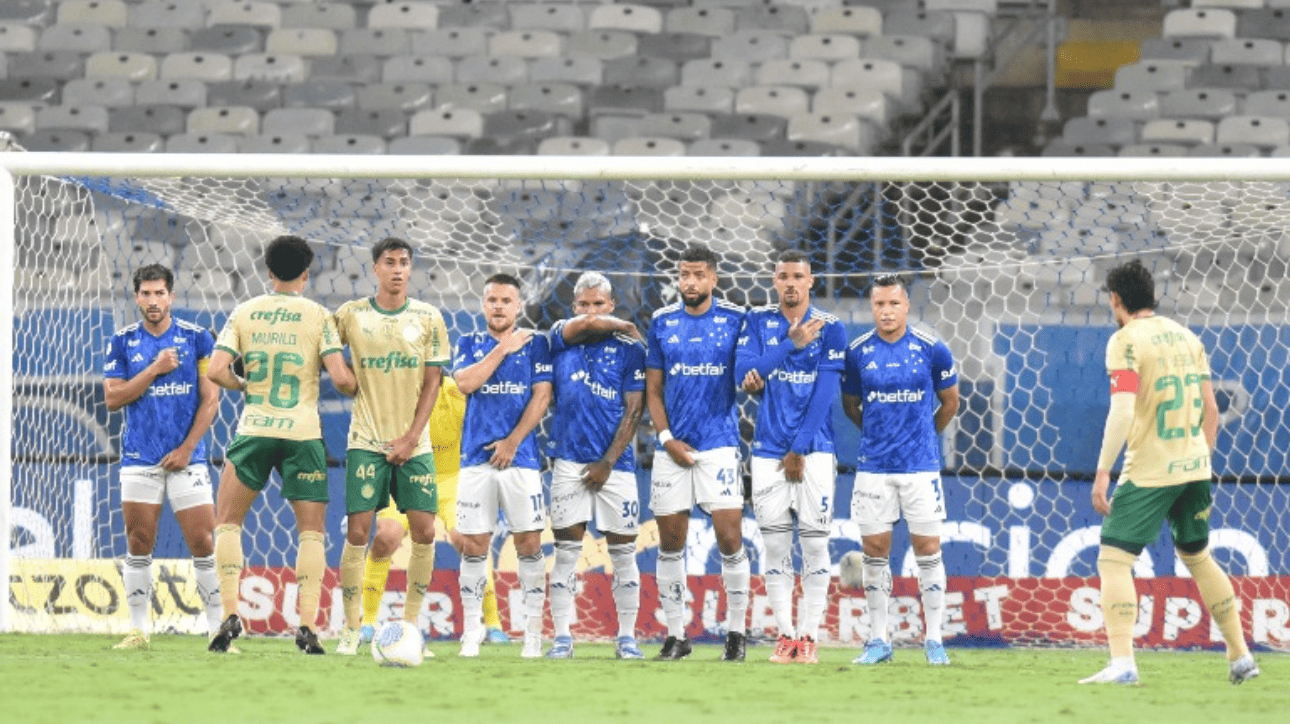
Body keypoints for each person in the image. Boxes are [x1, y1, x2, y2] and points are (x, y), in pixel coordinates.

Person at [1081, 259, 1259, 686]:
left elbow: (1122, 409)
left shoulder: (1125, 340)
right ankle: (1240, 656)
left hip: (1150, 470)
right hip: (1195, 465)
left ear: (1115, 300)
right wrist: (1199, 459)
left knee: (1113, 559)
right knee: (1198, 556)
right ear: (1154, 295)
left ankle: (1122, 663)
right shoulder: (1187, 337)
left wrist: (1103, 471)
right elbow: (1211, 409)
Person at [205, 235, 358, 654]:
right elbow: (341, 379)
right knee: (311, 532)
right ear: (306, 275)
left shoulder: (244, 311)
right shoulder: (319, 316)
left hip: (255, 429)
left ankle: (230, 613)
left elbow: (216, 370)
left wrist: (244, 386)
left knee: (228, 522)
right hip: (302, 434)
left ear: (269, 272)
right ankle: (307, 624)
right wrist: (366, 385)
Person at [332, 238, 450, 655]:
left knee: (425, 531)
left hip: (414, 444)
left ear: (410, 268)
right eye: (390, 262)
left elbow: (433, 382)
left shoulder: (429, 317)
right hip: (366, 440)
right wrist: (341, 375)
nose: (398, 269)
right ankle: (351, 628)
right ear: (375, 269)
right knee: (358, 532)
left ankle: (411, 628)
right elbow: (323, 348)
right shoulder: (351, 315)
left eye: (404, 262)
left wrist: (411, 437)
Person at [841, 274, 959, 666]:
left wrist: (923, 436)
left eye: (894, 303)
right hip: (874, 468)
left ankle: (934, 640)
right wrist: (879, 436)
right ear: (872, 307)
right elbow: (851, 405)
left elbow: (950, 403)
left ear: (906, 305)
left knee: (929, 549)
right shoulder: (857, 353)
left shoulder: (932, 349)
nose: (887, 311)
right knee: (875, 553)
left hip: (920, 468)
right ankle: (878, 640)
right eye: (880, 304)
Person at [735, 251, 846, 665]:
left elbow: (825, 392)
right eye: (783, 276)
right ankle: (785, 636)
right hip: (767, 450)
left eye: (798, 276)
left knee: (815, 544)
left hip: (814, 451)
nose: (791, 283)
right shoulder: (757, 321)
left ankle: (809, 636)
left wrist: (799, 447)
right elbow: (743, 374)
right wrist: (789, 345)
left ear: (811, 280)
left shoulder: (831, 327)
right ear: (774, 280)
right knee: (776, 545)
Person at [104, 264, 222, 650]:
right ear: (136, 297)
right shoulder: (122, 342)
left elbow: (211, 400)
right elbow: (113, 398)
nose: (153, 300)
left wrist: (187, 449)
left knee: (203, 540)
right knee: (139, 540)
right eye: (146, 293)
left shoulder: (197, 338)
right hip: (140, 457)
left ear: (171, 296)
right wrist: (154, 369)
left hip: (188, 458)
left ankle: (218, 632)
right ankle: (139, 630)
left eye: (159, 293)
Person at [645, 244, 750, 662]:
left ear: (714, 279)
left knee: (730, 539)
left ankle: (737, 634)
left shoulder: (736, 320)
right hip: (672, 448)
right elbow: (654, 390)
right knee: (671, 543)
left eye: (699, 275)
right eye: (684, 274)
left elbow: (749, 372)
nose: (690, 282)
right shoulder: (662, 321)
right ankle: (676, 636)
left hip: (719, 445)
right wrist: (666, 438)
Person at [357, 373, 511, 647]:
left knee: (469, 541)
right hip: (405, 476)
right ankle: (367, 622)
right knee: (386, 536)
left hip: (450, 480)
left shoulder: (455, 393)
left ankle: (493, 624)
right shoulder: (394, 392)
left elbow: (482, 431)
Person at [545, 272, 646, 660]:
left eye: (599, 305)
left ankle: (627, 638)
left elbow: (634, 410)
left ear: (611, 305)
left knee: (624, 555)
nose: (591, 312)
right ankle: (562, 638)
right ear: (574, 308)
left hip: (616, 467)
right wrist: (621, 324)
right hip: (568, 461)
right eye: (584, 305)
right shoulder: (559, 337)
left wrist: (607, 462)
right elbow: (586, 326)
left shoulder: (630, 351)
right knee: (566, 553)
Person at [454, 273, 552, 658]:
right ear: (483, 305)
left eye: (506, 300)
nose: (498, 306)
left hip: (521, 460)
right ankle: (471, 631)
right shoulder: (468, 342)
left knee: (529, 544)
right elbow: (465, 383)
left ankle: (533, 634)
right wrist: (501, 350)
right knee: (474, 545)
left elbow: (541, 396)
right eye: (492, 300)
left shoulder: (536, 344)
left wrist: (512, 442)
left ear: (518, 306)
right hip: (476, 459)